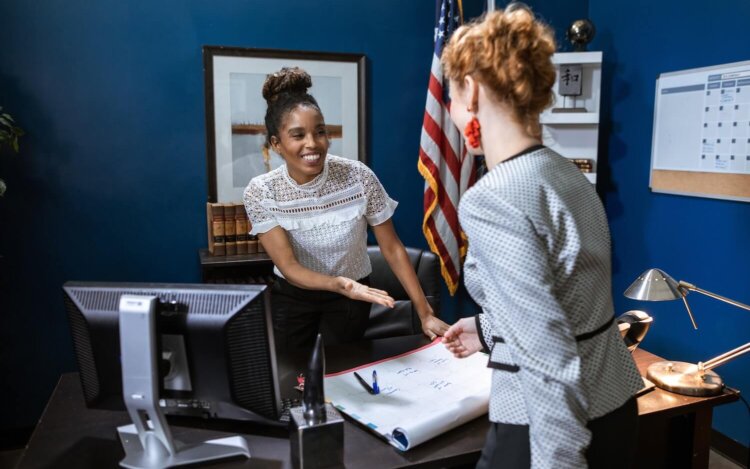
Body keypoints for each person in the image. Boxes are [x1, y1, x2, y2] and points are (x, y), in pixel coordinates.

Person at [439, 5, 643, 469]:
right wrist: (487, 329)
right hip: (613, 403)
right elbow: (567, 302)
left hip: (548, 426)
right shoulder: (567, 174)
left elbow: (549, 353)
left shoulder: (492, 197)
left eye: (450, 95)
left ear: (471, 90)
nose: (451, 111)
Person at [243, 67, 448, 352]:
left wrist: (425, 313)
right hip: (293, 301)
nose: (312, 144)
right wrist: (340, 283)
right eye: (298, 135)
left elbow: (393, 249)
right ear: (276, 144)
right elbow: (288, 267)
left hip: (350, 302)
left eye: (320, 132)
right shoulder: (261, 191)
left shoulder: (359, 177)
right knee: (293, 379)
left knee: (341, 375)